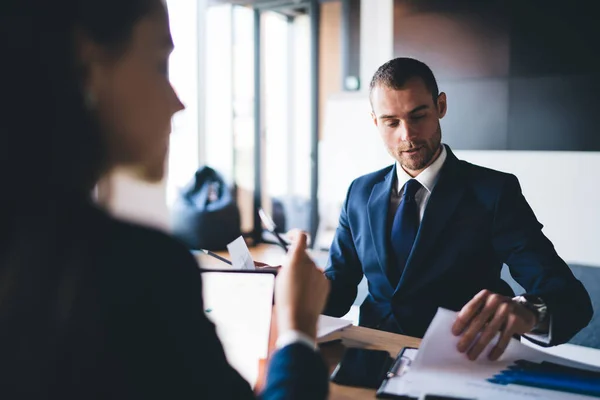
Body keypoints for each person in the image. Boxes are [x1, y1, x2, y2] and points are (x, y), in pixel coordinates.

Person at [0, 0, 330, 398]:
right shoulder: (138, 273)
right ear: (88, 67)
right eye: (160, 64)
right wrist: (297, 331)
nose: (179, 103)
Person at [323, 57, 592, 361]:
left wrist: (529, 311)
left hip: (459, 362)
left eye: (418, 115)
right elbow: (338, 289)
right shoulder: (359, 191)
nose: (407, 135)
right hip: (370, 358)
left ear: (440, 106)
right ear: (375, 121)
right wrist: (282, 286)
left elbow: (572, 300)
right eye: (391, 122)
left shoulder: (494, 192)